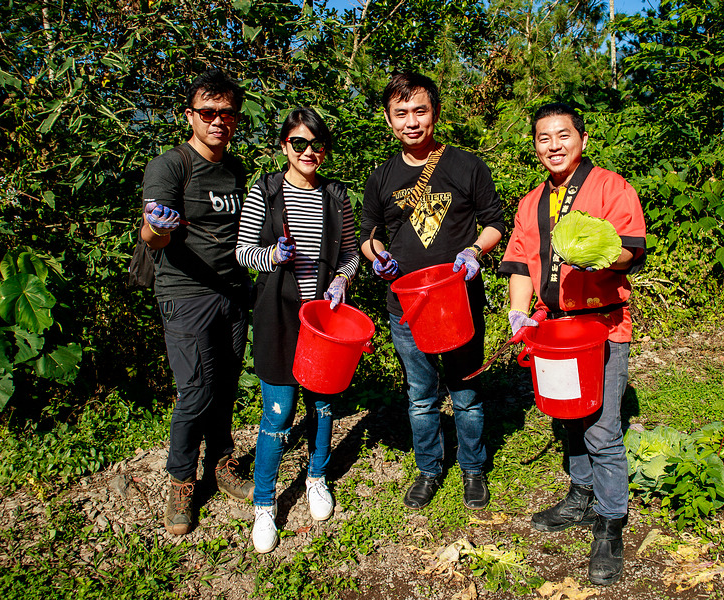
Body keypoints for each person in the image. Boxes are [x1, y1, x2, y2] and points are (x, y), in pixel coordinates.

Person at [499, 103, 646, 586]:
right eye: (544, 137)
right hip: (552, 328)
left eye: (563, 135)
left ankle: (610, 521)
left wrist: (601, 257)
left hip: (601, 326)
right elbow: (520, 263)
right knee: (568, 413)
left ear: (582, 138)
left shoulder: (611, 187)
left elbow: (630, 249)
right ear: (536, 145)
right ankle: (581, 493)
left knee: (603, 428)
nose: (554, 145)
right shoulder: (530, 202)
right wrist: (518, 314)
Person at [359, 72, 506, 512]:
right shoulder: (380, 177)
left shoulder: (466, 166)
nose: (411, 121)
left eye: (419, 111)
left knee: (465, 392)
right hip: (406, 307)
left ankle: (473, 468)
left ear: (435, 114)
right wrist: (376, 255)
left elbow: (496, 221)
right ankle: (428, 470)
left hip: (459, 300)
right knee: (421, 395)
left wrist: (475, 250)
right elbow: (369, 233)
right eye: (401, 113)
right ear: (388, 120)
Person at [235, 107, 359, 553]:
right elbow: (243, 253)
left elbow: (350, 254)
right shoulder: (265, 190)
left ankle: (317, 477)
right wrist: (274, 255)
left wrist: (342, 279)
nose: (309, 152)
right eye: (299, 144)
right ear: (285, 146)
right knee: (278, 413)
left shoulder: (336, 196)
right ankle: (264, 505)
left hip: (323, 319)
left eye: (316, 145)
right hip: (278, 317)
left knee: (323, 405)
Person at [141, 69, 253, 536]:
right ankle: (182, 479)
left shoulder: (235, 169)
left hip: (232, 291)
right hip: (185, 295)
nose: (217, 121)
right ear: (190, 116)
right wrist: (159, 225)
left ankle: (222, 462)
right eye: (208, 112)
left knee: (226, 385)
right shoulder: (169, 166)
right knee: (195, 392)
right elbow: (150, 233)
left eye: (226, 113)